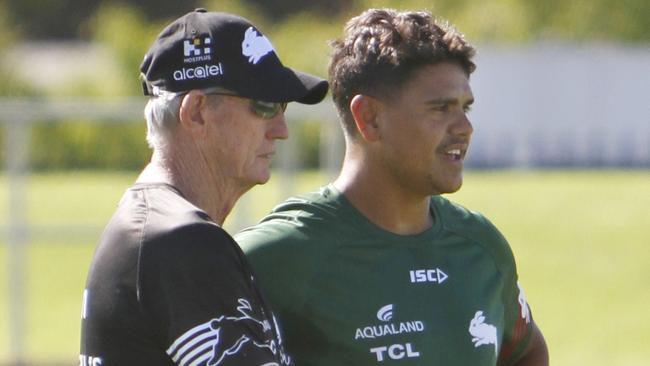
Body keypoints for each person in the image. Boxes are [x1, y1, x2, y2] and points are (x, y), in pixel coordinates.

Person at [236, 8, 549, 366]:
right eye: (441, 108)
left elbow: (527, 351)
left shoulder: (481, 248)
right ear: (369, 118)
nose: (464, 127)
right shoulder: (276, 256)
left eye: (466, 108)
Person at [79, 8, 328, 366]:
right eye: (265, 105)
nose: (281, 129)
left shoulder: (156, 226)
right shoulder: (182, 241)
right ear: (196, 111)